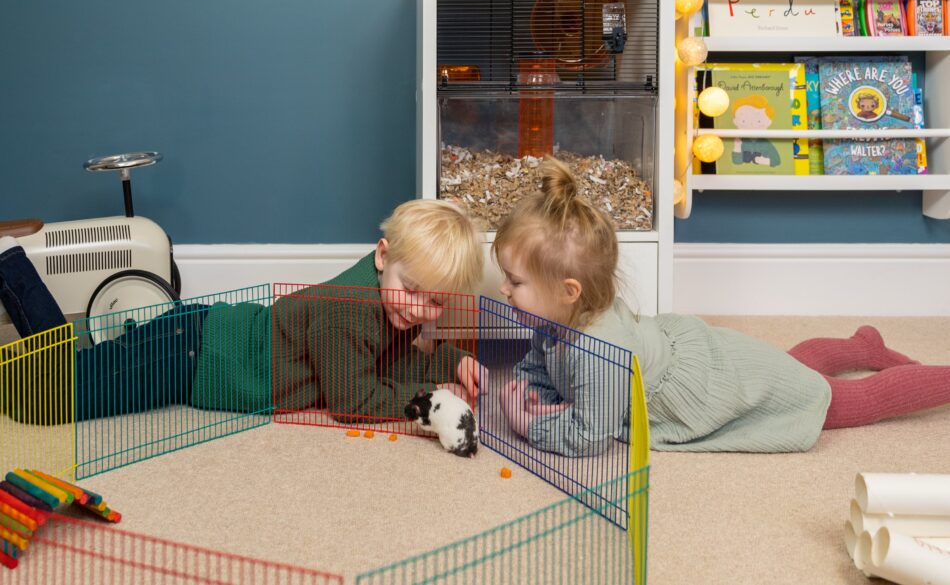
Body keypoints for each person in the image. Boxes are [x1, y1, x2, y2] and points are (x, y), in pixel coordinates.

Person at [493, 158, 950, 455]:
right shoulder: (552, 319)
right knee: (790, 365)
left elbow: (589, 437)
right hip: (703, 360)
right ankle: (862, 346)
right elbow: (539, 369)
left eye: (515, 281)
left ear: (569, 290)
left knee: (829, 397)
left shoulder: (601, 350)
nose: (504, 290)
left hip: (711, 386)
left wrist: (528, 426)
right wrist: (534, 395)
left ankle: (923, 371)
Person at [0, 199, 486, 425]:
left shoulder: (388, 299)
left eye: (437, 303)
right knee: (56, 395)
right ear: (382, 257)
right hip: (191, 355)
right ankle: (10, 269)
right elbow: (352, 400)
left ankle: (9, 269)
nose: (419, 309)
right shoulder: (349, 310)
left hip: (202, 339)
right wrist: (428, 399)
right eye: (414, 289)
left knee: (65, 373)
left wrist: (453, 361)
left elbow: (393, 360)